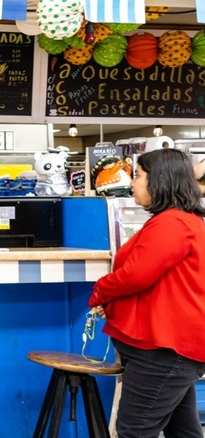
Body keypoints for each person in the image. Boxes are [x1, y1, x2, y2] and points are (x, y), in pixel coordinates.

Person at [88, 148, 205, 438]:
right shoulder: (179, 220)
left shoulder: (172, 223)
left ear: (160, 180)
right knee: (183, 431)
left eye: (138, 176)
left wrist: (102, 291)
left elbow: (136, 275)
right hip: (169, 347)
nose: (132, 183)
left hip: (163, 350)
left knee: (135, 430)